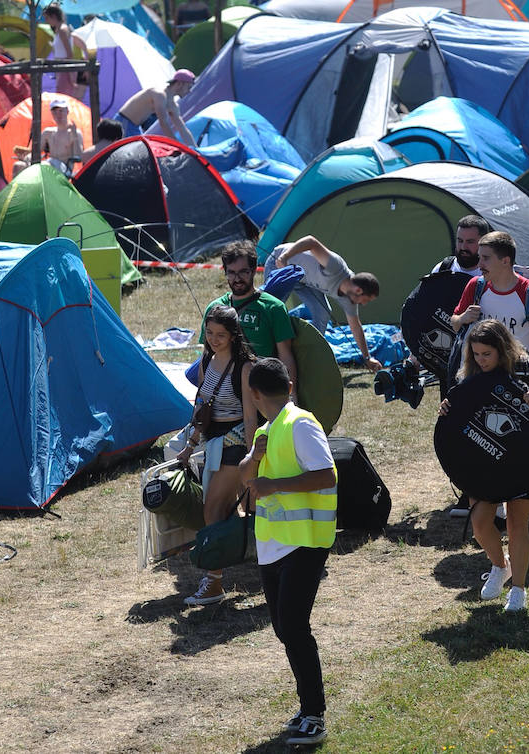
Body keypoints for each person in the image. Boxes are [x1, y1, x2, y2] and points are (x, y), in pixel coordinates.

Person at [438, 320, 529, 612]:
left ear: (502, 349)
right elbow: (460, 412)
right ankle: (501, 566)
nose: (480, 360)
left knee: (517, 526)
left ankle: (518, 591)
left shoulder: (528, 366)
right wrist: (447, 411)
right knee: (479, 524)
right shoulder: (471, 376)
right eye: (475, 354)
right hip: (483, 463)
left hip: (523, 459)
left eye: (486, 354)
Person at [237, 357, 337, 747]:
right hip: (272, 545)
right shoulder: (268, 430)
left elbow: (325, 474)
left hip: (304, 542)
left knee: (294, 627)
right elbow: (246, 475)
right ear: (289, 385)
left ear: (254, 394)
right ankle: (307, 707)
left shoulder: (301, 424)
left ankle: (315, 714)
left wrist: (274, 485)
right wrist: (257, 457)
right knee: (284, 628)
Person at [171, 306, 260, 606]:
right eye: (209, 333)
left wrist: (252, 458)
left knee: (213, 509)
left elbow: (250, 418)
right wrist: (190, 443)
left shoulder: (245, 368)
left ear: (234, 335)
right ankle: (262, 560)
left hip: (234, 446)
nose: (213, 340)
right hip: (211, 443)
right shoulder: (206, 361)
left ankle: (214, 583)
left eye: (220, 335)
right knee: (243, 508)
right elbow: (202, 408)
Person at [268, 236, 382, 371]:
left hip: (303, 281)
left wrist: (367, 358)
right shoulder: (336, 267)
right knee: (271, 309)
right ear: (358, 290)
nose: (364, 304)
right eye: (366, 300)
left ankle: (309, 355)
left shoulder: (348, 299)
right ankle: (266, 352)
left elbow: (355, 326)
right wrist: (284, 257)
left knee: (323, 313)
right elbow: (311, 241)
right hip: (280, 263)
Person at [450, 230, 529, 367]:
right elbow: (454, 324)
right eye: (479, 257)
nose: (479, 265)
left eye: (486, 258)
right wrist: (463, 318)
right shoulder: (475, 286)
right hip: (481, 374)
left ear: (505, 261)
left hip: (521, 377)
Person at [205, 240, 298, 395]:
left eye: (243, 272)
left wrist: (291, 396)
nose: (237, 278)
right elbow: (206, 356)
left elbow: (286, 356)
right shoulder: (215, 308)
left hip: (261, 390)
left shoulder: (273, 307)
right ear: (225, 272)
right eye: (231, 272)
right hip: (223, 391)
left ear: (254, 270)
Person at [114, 70, 197, 147]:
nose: (189, 91)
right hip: (123, 123)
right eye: (188, 87)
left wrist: (196, 150)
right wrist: (178, 146)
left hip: (134, 127)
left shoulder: (173, 105)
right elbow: (163, 124)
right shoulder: (159, 94)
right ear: (179, 84)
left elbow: (182, 128)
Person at [42, 4, 80, 99]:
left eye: (47, 18)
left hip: (65, 68)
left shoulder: (63, 30)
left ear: (53, 17)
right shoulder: (59, 30)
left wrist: (71, 75)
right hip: (61, 68)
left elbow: (69, 53)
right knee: (62, 96)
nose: (46, 21)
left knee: (63, 97)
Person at [41, 98, 85, 170]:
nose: (58, 115)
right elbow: (36, 153)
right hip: (49, 164)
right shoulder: (47, 132)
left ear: (67, 111)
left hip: (65, 168)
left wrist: (75, 136)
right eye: (55, 112)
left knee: (46, 166)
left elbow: (79, 157)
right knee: (20, 165)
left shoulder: (75, 133)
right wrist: (26, 156)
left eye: (61, 111)